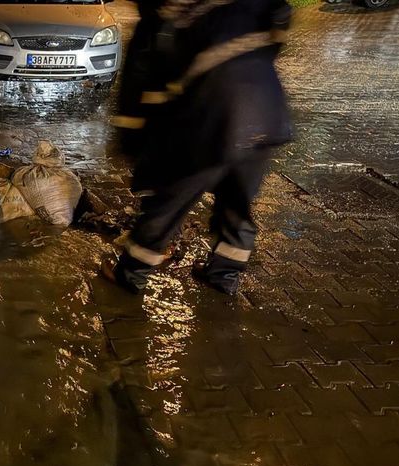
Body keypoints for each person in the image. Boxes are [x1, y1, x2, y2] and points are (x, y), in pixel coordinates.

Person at [105, 0, 293, 298]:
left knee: (171, 200)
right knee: (237, 201)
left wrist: (133, 142)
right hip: (267, 118)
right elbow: (279, 22)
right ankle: (224, 275)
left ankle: (130, 274)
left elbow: (141, 84)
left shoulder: (162, 17)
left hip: (213, 119)